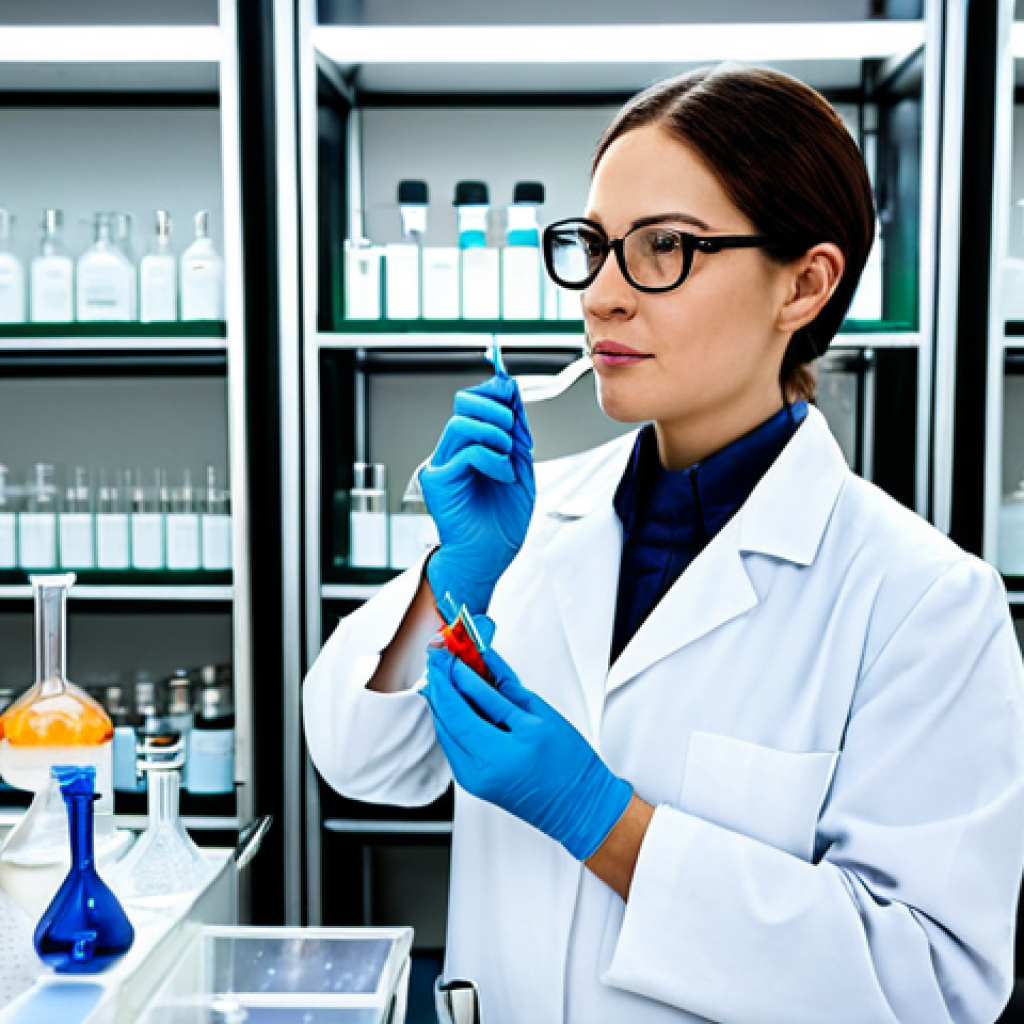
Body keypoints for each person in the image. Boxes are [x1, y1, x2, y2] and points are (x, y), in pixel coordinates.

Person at [304, 65, 1024, 1024]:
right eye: (595, 248)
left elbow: (925, 984)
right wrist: (451, 579)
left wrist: (605, 822)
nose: (602, 295)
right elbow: (361, 762)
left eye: (665, 249)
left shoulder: (923, 602)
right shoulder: (531, 524)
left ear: (804, 285)